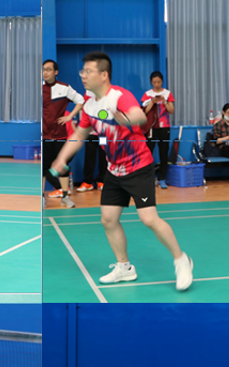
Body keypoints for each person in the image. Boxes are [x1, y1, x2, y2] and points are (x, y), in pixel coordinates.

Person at [51, 51, 193, 291]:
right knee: (108, 219)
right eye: (82, 71)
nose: (83, 75)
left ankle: (181, 260)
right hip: (114, 170)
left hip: (138, 166)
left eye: (88, 71)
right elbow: (79, 135)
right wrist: (61, 158)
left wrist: (127, 119)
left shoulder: (119, 96)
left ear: (104, 75)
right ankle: (124, 267)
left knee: (148, 218)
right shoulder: (89, 105)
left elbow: (138, 113)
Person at [42, 59, 83, 208]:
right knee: (44, 168)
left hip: (60, 135)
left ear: (56, 72)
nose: (45, 72)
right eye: (43, 69)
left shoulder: (64, 88)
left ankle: (65, 197)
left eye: (48, 69)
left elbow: (80, 100)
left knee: (63, 167)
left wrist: (70, 116)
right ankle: (42, 197)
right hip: (45, 136)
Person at [141, 70, 175, 189]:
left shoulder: (167, 93)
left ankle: (162, 179)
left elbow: (171, 111)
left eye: (159, 82)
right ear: (151, 82)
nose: (156, 84)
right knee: (148, 153)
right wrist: (152, 102)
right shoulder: (147, 94)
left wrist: (164, 102)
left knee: (163, 153)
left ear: (162, 82)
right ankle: (148, 178)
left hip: (164, 127)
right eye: (154, 82)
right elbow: (144, 111)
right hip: (151, 127)